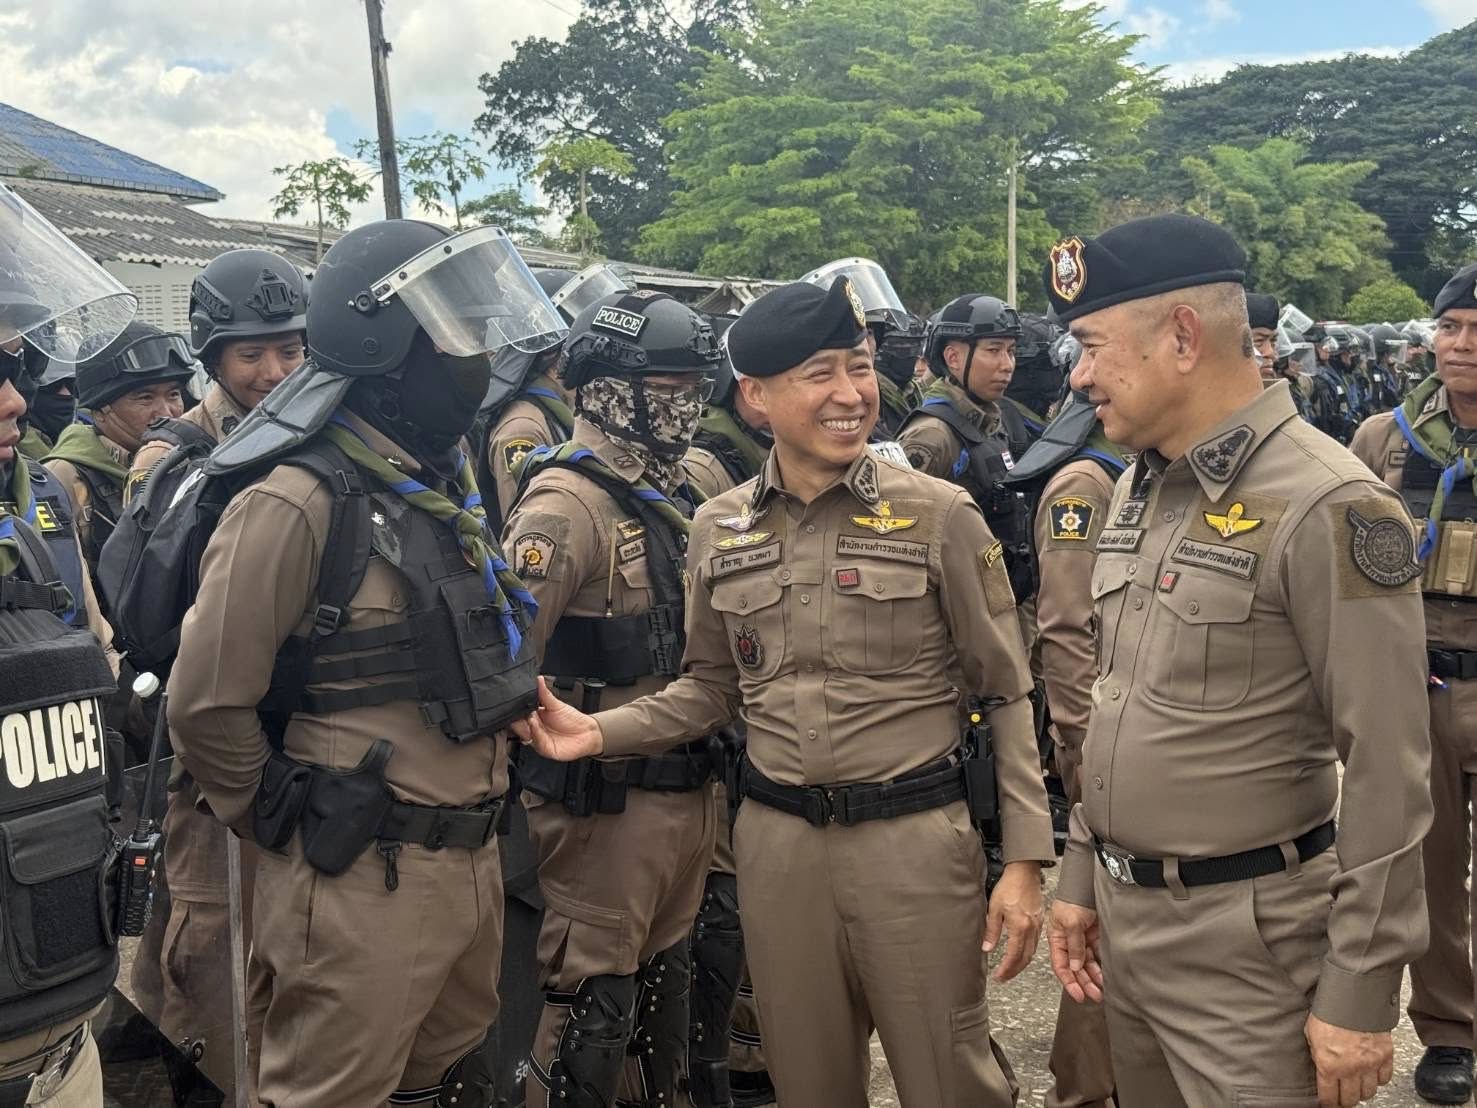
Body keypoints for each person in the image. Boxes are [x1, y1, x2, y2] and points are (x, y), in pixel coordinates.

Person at [516, 275, 1056, 1108]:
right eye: (819, 374)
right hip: (777, 853)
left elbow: (1005, 691)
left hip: (912, 846)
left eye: (860, 367)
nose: (850, 394)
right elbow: (708, 690)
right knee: (804, 1082)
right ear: (756, 397)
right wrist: (599, 732)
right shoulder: (717, 526)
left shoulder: (938, 515)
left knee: (951, 1079)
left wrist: (1022, 860)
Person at [168, 219, 564, 1105]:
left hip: (468, 859)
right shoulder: (298, 498)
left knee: (438, 1078)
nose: (472, 361)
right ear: (382, 345)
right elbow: (205, 704)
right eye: (451, 337)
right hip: (360, 877)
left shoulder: (439, 487)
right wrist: (288, 822)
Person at [1042, 214, 1432, 1108]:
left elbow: (1390, 766)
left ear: (1181, 336)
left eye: (1092, 345)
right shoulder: (1139, 483)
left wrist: (1358, 994)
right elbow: (1116, 699)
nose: (1077, 374)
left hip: (1249, 947)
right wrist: (1082, 876)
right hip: (1126, 926)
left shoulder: (1328, 501)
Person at [502, 290, 724, 1108]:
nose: (685, 404)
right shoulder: (565, 506)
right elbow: (507, 668)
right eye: (665, 387)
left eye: (694, 385)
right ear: (604, 390)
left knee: (662, 999)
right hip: (601, 807)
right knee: (587, 1008)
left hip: (689, 785)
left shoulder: (689, 486)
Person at [0, 180, 136, 1108]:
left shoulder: (31, 517)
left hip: (60, 1040)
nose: (16, 398)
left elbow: (97, 670)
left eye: (11, 361)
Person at [1349, 261, 1477, 1106]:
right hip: (1420, 686)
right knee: (1430, 870)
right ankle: (1447, 1030)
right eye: (1450, 327)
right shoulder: (1383, 440)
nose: (1461, 345)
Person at [1006, 376, 1127, 1108]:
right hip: (1101, 741)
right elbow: (1066, 629)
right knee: (1105, 924)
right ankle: (1082, 1091)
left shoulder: (1140, 467)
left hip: (1137, 739)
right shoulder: (1086, 483)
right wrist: (1084, 745)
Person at [127, 249, 307, 496]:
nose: (275, 373)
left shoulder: (323, 429)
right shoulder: (168, 457)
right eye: (251, 356)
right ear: (215, 361)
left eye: (289, 352)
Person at [897, 295, 1036, 605]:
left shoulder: (992, 422)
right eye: (993, 350)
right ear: (953, 358)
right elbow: (901, 545)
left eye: (1011, 351)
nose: (1007, 365)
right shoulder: (933, 435)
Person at [43, 321, 191, 573]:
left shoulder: (189, 462)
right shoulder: (62, 478)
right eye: (145, 398)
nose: (167, 412)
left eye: (173, 395)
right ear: (101, 409)